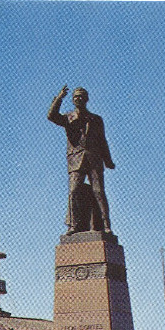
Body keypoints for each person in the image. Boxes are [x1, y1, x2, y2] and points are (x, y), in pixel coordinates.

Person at [48, 85, 115, 235]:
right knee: (74, 191)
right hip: (76, 159)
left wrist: (108, 160)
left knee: (99, 192)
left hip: (94, 159)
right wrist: (59, 98)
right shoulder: (68, 118)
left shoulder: (96, 119)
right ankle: (73, 225)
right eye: (75, 97)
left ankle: (106, 225)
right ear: (72, 100)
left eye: (81, 96)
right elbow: (51, 116)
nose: (78, 99)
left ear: (86, 99)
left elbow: (102, 141)